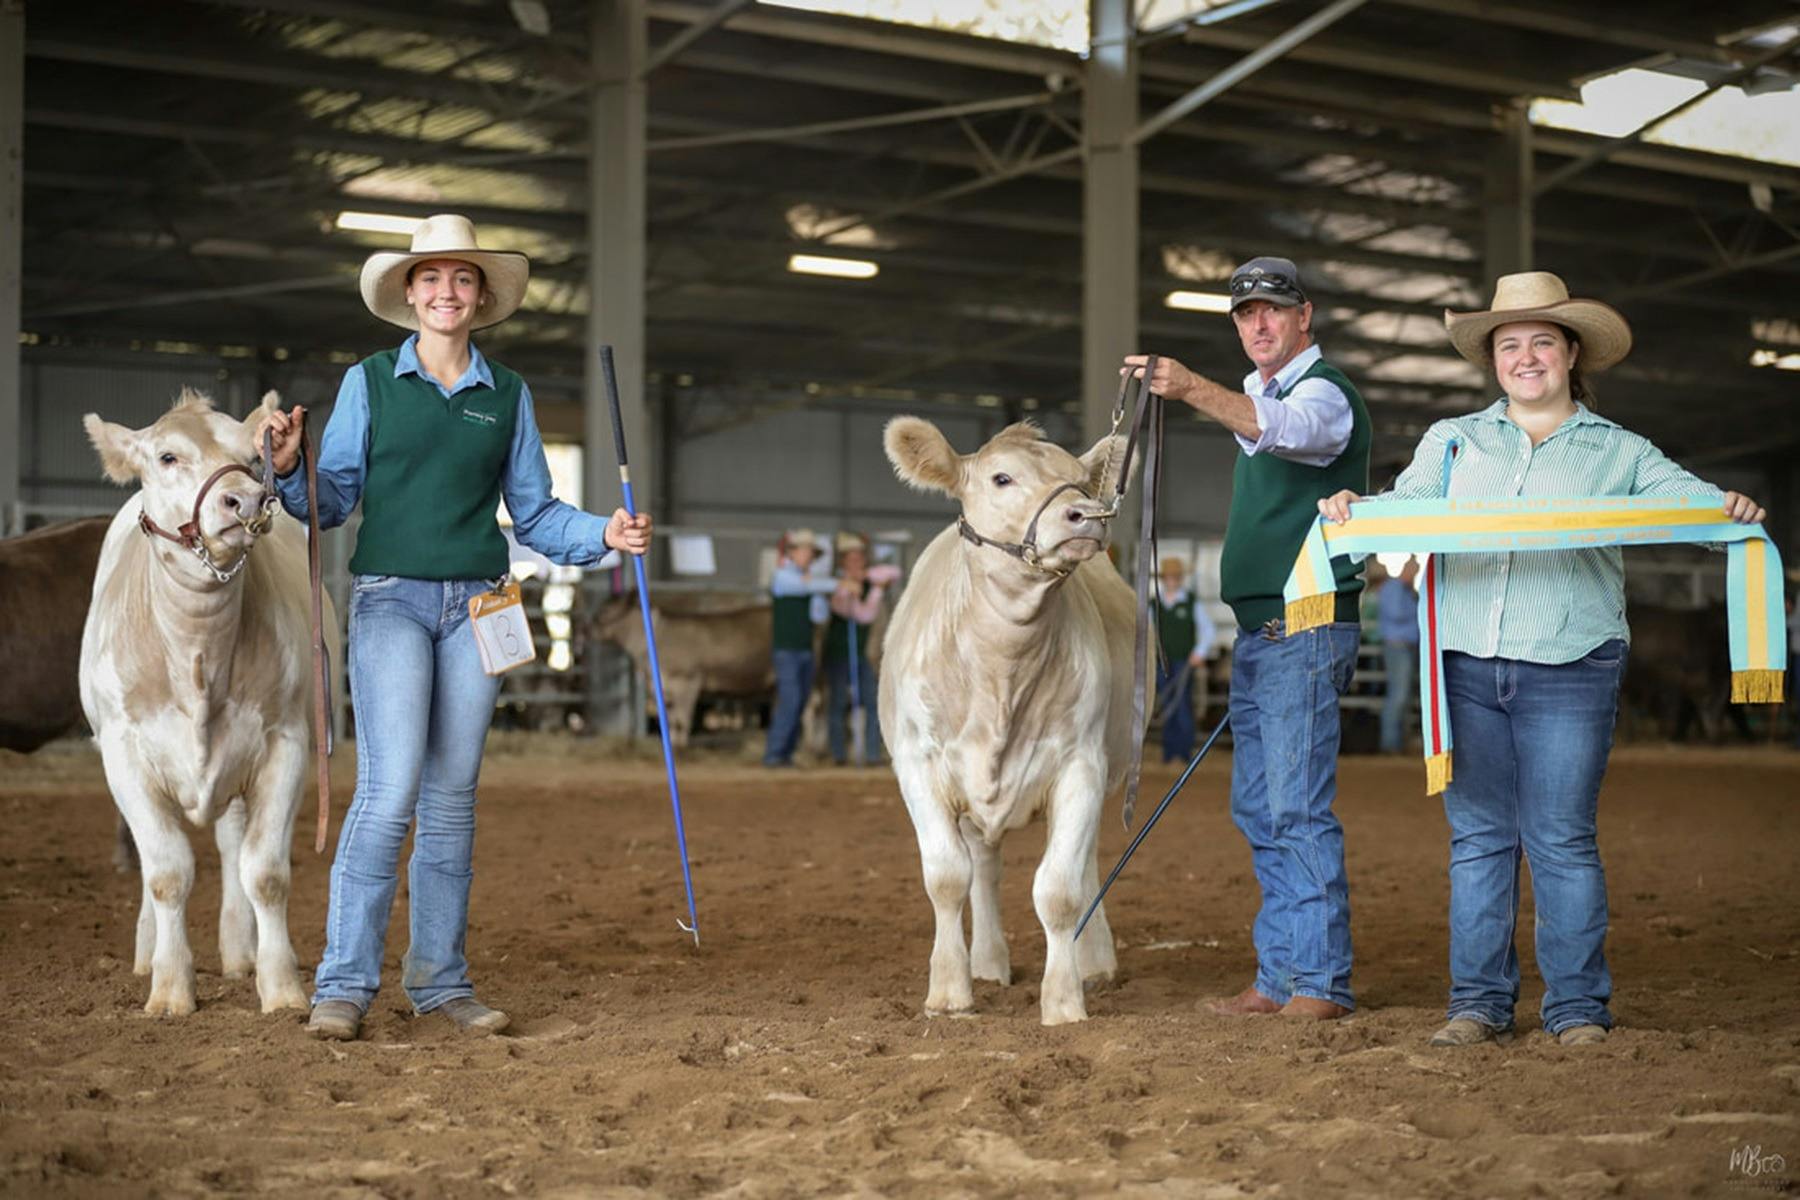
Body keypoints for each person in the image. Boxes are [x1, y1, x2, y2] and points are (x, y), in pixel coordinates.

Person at [1319, 270, 1766, 1048]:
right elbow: (1405, 506)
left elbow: (1689, 503)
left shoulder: (1620, 449)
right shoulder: (1450, 441)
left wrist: (1727, 507)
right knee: (1480, 838)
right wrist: (1354, 510)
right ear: (1493, 360)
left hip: (1572, 661)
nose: (1525, 358)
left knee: (1560, 837)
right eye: (1510, 345)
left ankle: (1576, 1008)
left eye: (1541, 343)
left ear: (1571, 355)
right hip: (1464, 662)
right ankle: (1477, 1003)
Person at [256, 214, 655, 1042]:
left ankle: (441, 983)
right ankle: (344, 982)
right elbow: (331, 501)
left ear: (481, 297)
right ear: (410, 295)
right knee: (393, 787)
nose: (446, 291)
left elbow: (537, 511)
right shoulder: (370, 381)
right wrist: (290, 468)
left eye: (462, 279)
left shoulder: (506, 394)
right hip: (392, 599)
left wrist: (604, 535)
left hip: (480, 602)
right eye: (431, 278)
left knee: (452, 802)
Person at [1125, 255, 1370, 1021]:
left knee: (1294, 807)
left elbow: (1285, 432)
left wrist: (1191, 386)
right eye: (1244, 314)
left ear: (1305, 317)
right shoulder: (1264, 393)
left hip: (1305, 624)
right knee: (1262, 808)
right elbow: (1262, 422)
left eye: (1272, 309)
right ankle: (1279, 976)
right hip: (1265, 634)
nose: (1258, 324)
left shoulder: (1323, 393)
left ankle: (1320, 984)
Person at [821, 533, 899, 766]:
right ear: (843, 562)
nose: (855, 563)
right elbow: (856, 613)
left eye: (859, 559)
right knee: (837, 704)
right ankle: (839, 755)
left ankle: (873, 754)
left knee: (872, 701)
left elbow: (893, 572)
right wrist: (850, 589)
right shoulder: (836, 585)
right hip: (837, 653)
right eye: (850, 559)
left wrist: (870, 584)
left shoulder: (866, 582)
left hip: (860, 654)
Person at [764, 528, 835, 767]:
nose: (807, 556)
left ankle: (785, 753)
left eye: (810, 553)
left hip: (804, 648)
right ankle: (775, 753)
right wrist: (832, 585)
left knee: (800, 699)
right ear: (792, 553)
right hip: (787, 649)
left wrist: (818, 588)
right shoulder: (782, 576)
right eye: (803, 550)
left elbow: (819, 614)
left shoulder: (810, 583)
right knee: (791, 699)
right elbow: (806, 588)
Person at [1154, 556, 1215, 763]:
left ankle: (1184, 752)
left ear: (1179, 579)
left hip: (1183, 662)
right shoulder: (1155, 604)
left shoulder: (1190, 602)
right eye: (1169, 577)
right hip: (1161, 662)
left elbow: (1207, 629)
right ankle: (1169, 753)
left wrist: (1199, 652)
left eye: (1175, 577)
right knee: (1167, 704)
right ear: (1164, 579)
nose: (1172, 580)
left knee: (1182, 706)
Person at [1378, 557, 1421, 754]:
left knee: (1402, 696)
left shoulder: (1403, 590)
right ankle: (1390, 744)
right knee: (1399, 695)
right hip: (1398, 647)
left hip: (1405, 648)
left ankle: (1396, 742)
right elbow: (1397, 613)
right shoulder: (1395, 588)